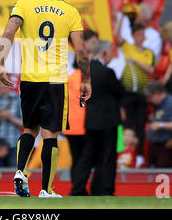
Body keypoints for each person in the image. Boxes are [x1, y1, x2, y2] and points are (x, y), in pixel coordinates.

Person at [0, 0, 92, 198]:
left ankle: (20, 171)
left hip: (29, 78)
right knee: (50, 135)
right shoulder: (70, 12)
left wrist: (0, 64)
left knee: (30, 129)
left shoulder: (25, 3)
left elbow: (9, 32)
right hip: (55, 80)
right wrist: (86, 79)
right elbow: (81, 50)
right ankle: (46, 191)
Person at [70, 40, 125, 196]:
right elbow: (121, 92)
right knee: (107, 157)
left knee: (86, 158)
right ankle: (104, 189)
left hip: (90, 120)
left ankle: (77, 188)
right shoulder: (107, 72)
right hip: (108, 121)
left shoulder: (84, 71)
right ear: (105, 52)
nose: (112, 57)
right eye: (111, 53)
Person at [114, 14, 155, 161]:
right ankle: (121, 153)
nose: (140, 37)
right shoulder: (127, 47)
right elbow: (116, 35)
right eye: (138, 35)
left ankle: (138, 156)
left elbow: (150, 69)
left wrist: (135, 61)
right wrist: (121, 17)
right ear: (133, 36)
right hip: (127, 93)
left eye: (142, 35)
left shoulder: (148, 52)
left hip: (141, 93)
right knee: (125, 123)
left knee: (139, 125)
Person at [64, 30, 98, 184]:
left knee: (77, 158)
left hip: (71, 125)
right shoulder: (85, 78)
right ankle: (78, 188)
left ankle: (77, 188)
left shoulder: (70, 77)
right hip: (84, 124)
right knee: (84, 159)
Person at [144, 81, 172, 168]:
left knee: (163, 176)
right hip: (156, 145)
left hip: (166, 146)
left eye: (150, 97)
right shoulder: (159, 104)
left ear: (158, 94)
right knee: (151, 175)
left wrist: (161, 125)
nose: (149, 100)